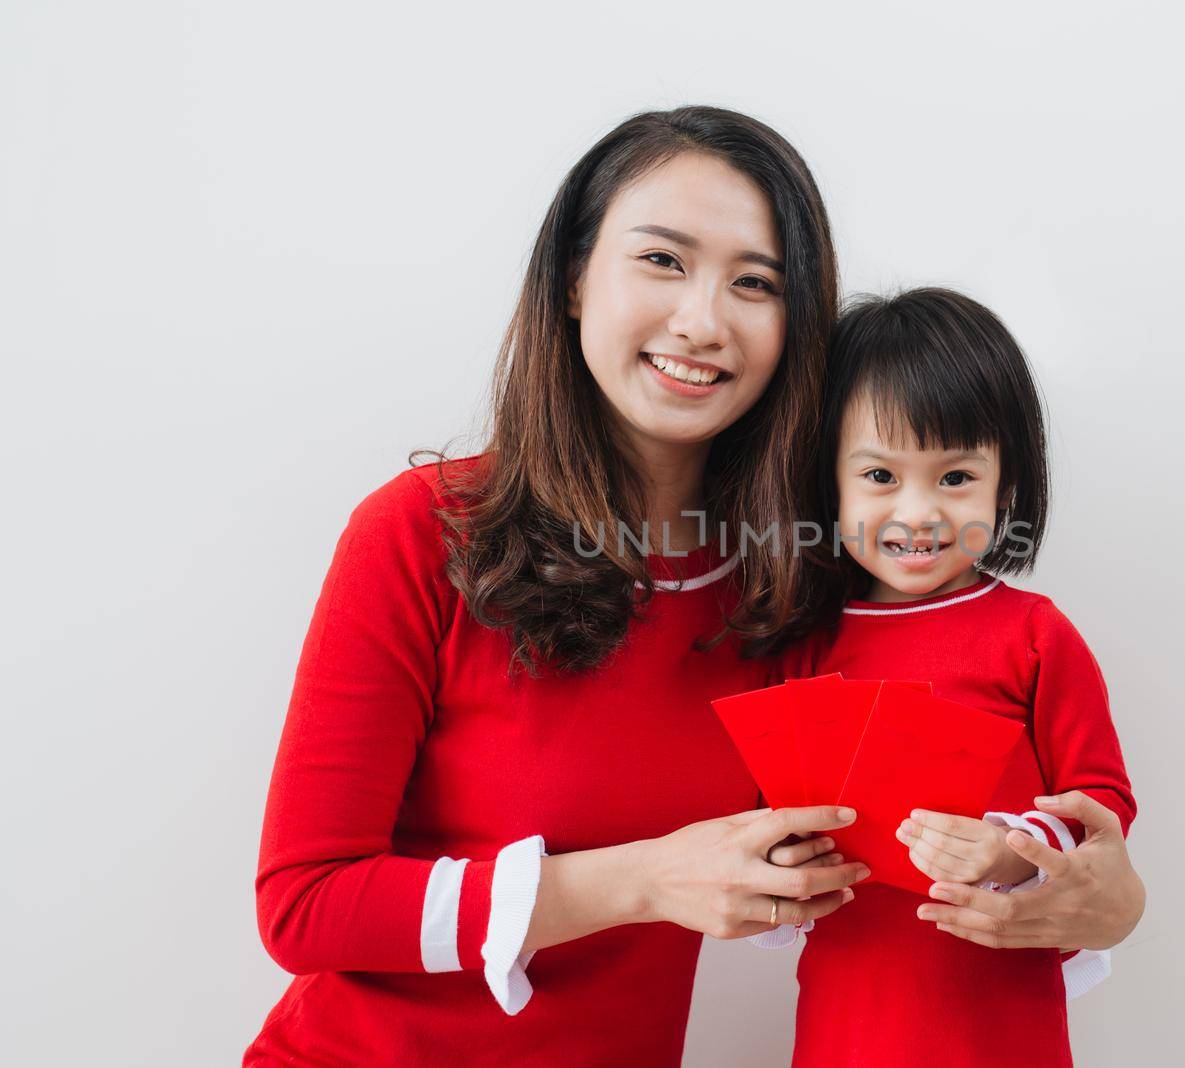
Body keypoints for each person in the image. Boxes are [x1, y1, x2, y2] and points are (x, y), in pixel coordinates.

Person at [244, 106, 867, 1066]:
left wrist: (1084, 886)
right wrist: (646, 881)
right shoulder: (421, 534)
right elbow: (305, 905)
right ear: (575, 280)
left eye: (755, 283)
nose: (702, 320)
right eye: (663, 260)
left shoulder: (785, 582)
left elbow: (927, 830)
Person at [765, 288, 1138, 1067]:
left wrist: (1010, 852)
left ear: (1006, 483)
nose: (919, 512)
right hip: (846, 1014)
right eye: (878, 475)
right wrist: (784, 853)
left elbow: (1101, 799)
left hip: (1000, 1018)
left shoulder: (1033, 635)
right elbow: (767, 806)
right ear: (826, 480)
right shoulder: (801, 645)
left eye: (956, 477)